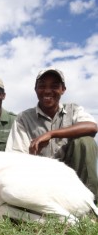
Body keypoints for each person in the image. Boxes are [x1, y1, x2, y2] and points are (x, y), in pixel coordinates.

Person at [6, 68, 98, 202]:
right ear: (35, 89)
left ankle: (91, 204)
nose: (47, 91)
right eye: (42, 86)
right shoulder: (23, 118)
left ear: (63, 89)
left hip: (72, 180)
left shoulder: (74, 109)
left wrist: (51, 134)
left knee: (86, 142)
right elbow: (15, 157)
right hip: (40, 181)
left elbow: (92, 127)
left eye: (54, 86)